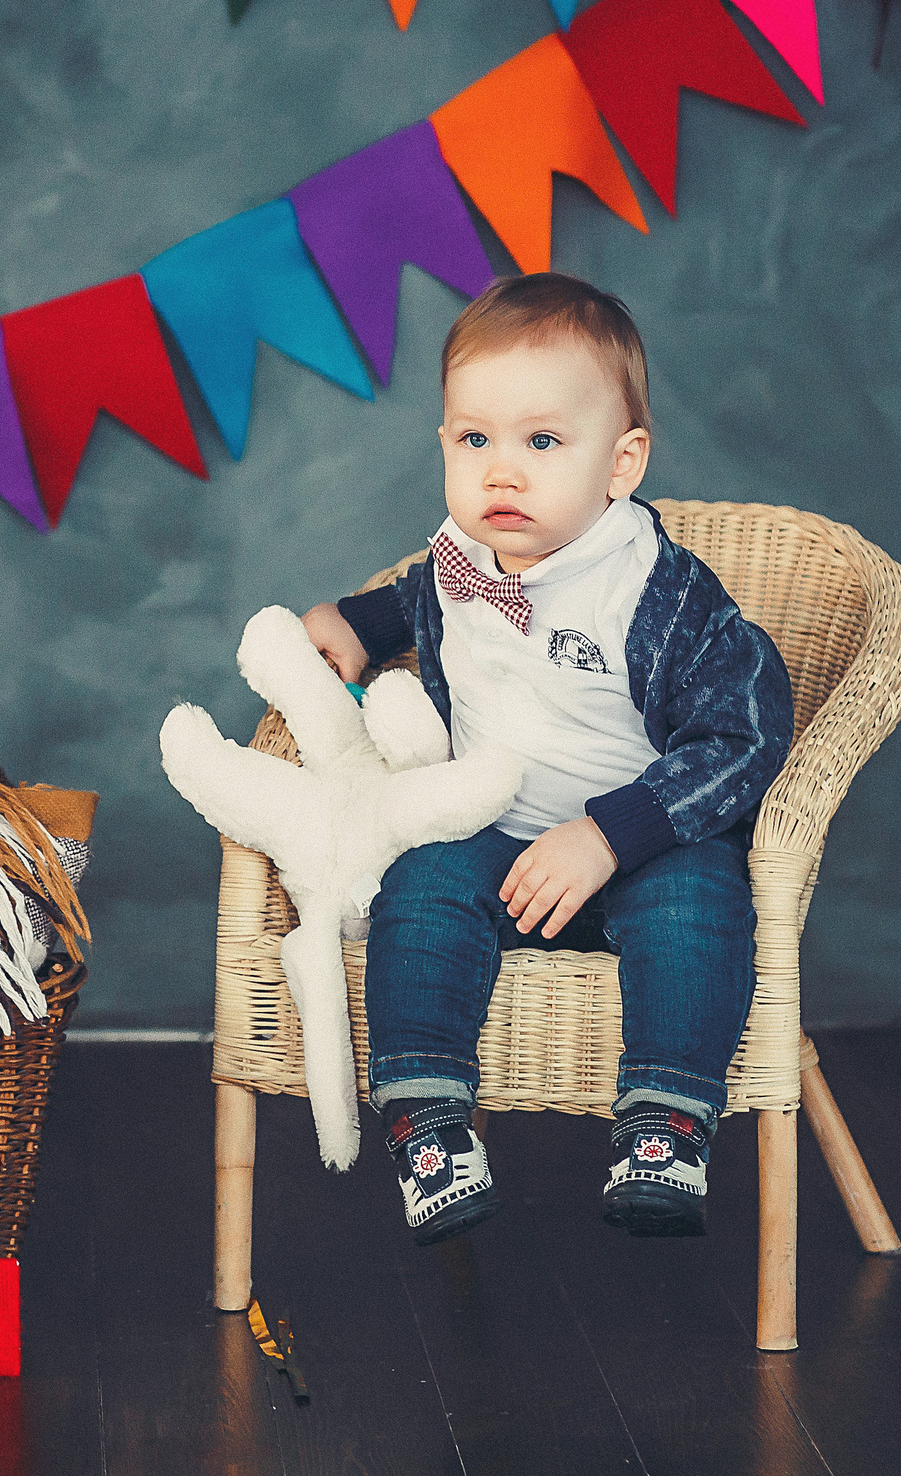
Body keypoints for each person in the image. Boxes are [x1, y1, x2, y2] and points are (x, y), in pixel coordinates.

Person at [302, 273, 793, 1244]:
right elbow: (416, 600)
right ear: (442, 443)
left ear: (620, 465)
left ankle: (663, 1120)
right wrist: (355, 628)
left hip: (642, 835)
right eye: (473, 440)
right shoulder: (460, 553)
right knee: (420, 886)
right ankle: (427, 1120)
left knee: (700, 905)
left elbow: (745, 730)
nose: (501, 474)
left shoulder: (654, 591)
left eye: (540, 442)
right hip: (493, 825)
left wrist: (613, 835)